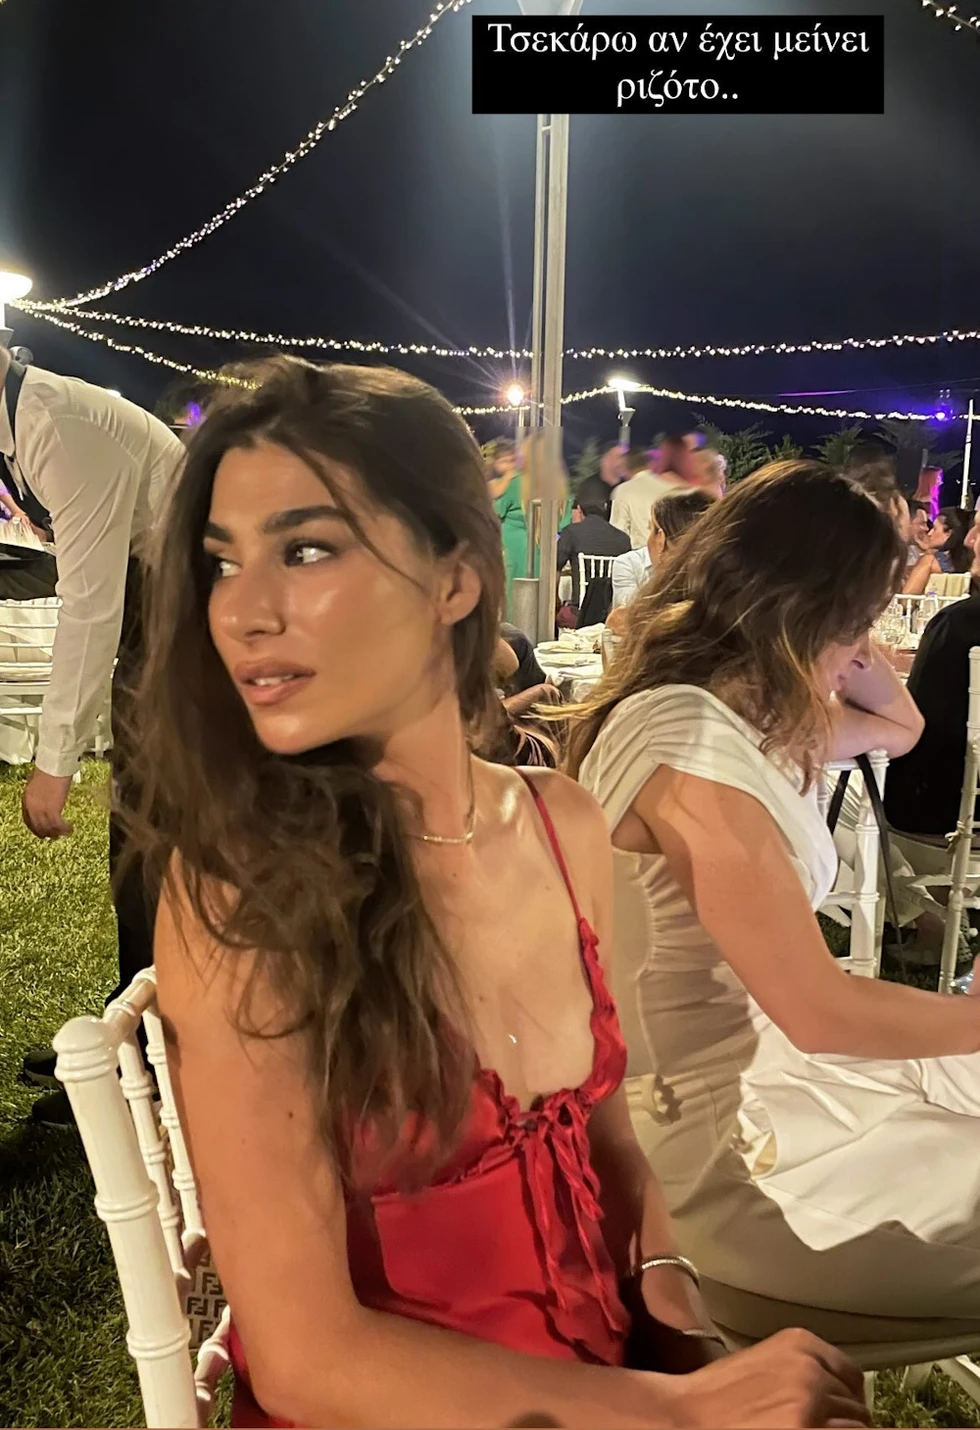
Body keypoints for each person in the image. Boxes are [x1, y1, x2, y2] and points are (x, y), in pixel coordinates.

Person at [121, 361, 867, 1430]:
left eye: (306, 549)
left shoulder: (563, 826)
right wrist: (683, 1411)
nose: (241, 609)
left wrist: (680, 1323)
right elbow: (304, 1359)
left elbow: (609, 1141)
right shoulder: (246, 895)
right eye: (221, 563)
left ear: (455, 579)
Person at [566, 460, 980, 1319]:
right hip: (709, 1161)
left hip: (761, 1085)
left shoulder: (733, 711)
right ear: (800, 609)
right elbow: (817, 1011)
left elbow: (902, 729)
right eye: (858, 618)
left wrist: (844, 637)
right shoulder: (693, 747)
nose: (864, 648)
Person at [1, 347, 186, 1121]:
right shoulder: (21, 421)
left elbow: (91, 606)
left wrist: (54, 762)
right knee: (140, 837)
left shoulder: (55, 423)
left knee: (152, 838)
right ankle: (135, 1026)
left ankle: (156, 1057)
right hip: (158, 598)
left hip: (185, 604)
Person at [886, 507, 980, 842]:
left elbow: (918, 733)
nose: (969, 540)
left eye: (979, 529)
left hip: (944, 818)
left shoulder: (959, 624)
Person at [607, 489, 715, 635]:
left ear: (660, 539)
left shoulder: (675, 604)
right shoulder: (721, 582)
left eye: (650, 529)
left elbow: (626, 619)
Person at [556, 495, 631, 618]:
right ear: (606, 508)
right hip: (611, 612)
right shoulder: (624, 539)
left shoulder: (571, 532)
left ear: (579, 509)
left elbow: (555, 567)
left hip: (579, 612)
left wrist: (556, 601)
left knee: (560, 615)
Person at [486, 439, 528, 623]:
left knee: (509, 585)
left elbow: (495, 511)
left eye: (511, 460)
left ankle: (508, 625)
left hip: (511, 541)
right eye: (504, 461)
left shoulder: (512, 483)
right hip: (531, 541)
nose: (509, 465)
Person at [610, 450, 684, 551]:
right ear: (650, 464)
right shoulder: (669, 488)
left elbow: (618, 529)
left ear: (625, 468)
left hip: (639, 553)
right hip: (668, 551)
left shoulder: (623, 490)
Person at [904, 506, 972, 595]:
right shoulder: (971, 562)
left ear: (948, 534)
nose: (929, 533)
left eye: (935, 529)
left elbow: (906, 598)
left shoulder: (929, 561)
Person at [573, 442, 626, 521]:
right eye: (619, 457)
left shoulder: (627, 487)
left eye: (625, 457)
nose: (623, 461)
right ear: (606, 459)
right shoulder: (588, 486)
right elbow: (577, 513)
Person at [906, 498, 932, 568]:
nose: (927, 528)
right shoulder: (888, 551)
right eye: (922, 523)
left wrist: (927, 551)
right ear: (907, 521)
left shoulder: (915, 551)